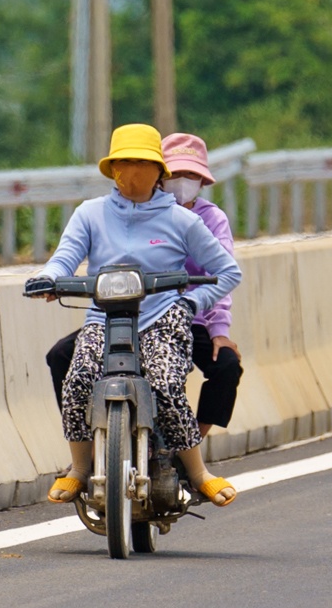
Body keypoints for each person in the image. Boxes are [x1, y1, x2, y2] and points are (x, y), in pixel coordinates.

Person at [26, 123, 242, 506]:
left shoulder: (184, 220)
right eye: (123, 163)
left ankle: (197, 471)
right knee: (77, 379)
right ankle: (79, 467)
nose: (132, 172)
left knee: (166, 383)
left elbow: (228, 272)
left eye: (142, 163)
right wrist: (48, 279)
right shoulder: (90, 213)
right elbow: (64, 258)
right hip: (104, 318)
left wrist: (192, 303)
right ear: (111, 169)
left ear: (159, 171)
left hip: (164, 317)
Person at [160, 131, 245, 440]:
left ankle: (192, 444)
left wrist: (219, 331)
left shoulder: (211, 219)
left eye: (191, 175)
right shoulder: (147, 213)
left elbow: (223, 275)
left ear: (202, 181)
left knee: (226, 367)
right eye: (176, 174)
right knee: (66, 356)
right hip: (144, 315)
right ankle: (90, 453)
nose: (183, 181)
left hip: (193, 317)